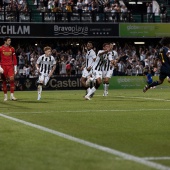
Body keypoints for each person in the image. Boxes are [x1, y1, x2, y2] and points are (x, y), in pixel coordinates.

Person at [0, 37, 17, 101]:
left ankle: (12, 96)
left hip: (10, 66)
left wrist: (15, 68)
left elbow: (14, 58)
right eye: (8, 40)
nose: (10, 41)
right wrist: (0, 67)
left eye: (10, 40)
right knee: (4, 81)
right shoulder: (1, 48)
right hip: (3, 66)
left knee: (12, 79)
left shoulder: (12, 49)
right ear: (5, 41)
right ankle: (5, 96)